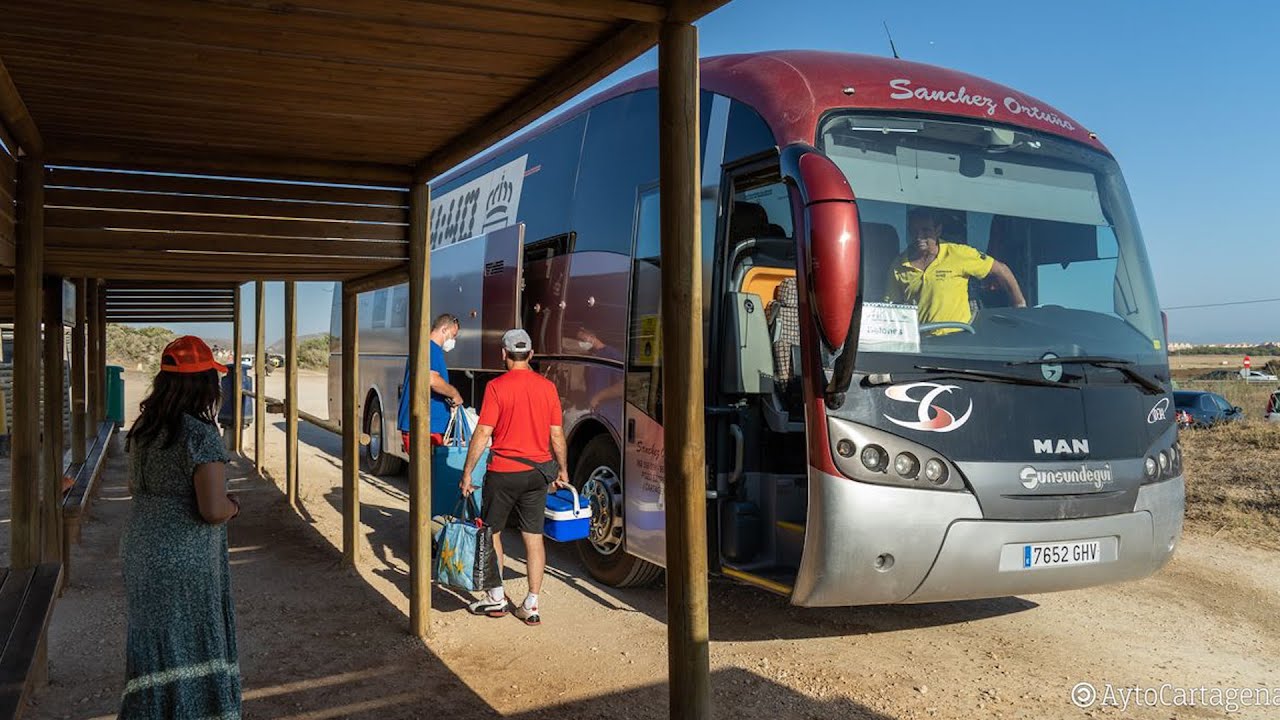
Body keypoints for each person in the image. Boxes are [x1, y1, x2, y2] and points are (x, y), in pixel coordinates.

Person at [119, 336, 242, 719]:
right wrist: (234, 507)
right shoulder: (201, 435)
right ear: (205, 383)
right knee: (192, 646)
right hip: (185, 558)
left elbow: (136, 488)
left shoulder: (144, 428)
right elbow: (211, 509)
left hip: (141, 547)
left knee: (155, 646)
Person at [459, 329, 570, 625]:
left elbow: (483, 432)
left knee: (492, 532)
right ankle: (532, 604)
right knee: (533, 538)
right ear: (531, 355)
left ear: (503, 354)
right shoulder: (547, 387)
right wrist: (563, 469)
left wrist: (468, 471)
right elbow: (556, 434)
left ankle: (496, 598)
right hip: (537, 474)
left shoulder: (496, 387)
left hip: (504, 473)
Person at [886, 207, 1026, 329]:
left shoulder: (958, 253)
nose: (919, 236)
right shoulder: (898, 265)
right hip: (921, 347)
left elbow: (1001, 270)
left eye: (925, 230)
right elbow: (891, 308)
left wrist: (1020, 307)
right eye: (914, 231)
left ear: (938, 230)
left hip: (957, 343)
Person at [399, 313, 464, 452]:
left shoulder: (427, 348)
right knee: (427, 472)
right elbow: (432, 380)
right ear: (444, 329)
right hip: (425, 427)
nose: (453, 341)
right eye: (453, 335)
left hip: (426, 426)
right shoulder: (431, 349)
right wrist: (454, 394)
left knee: (429, 472)